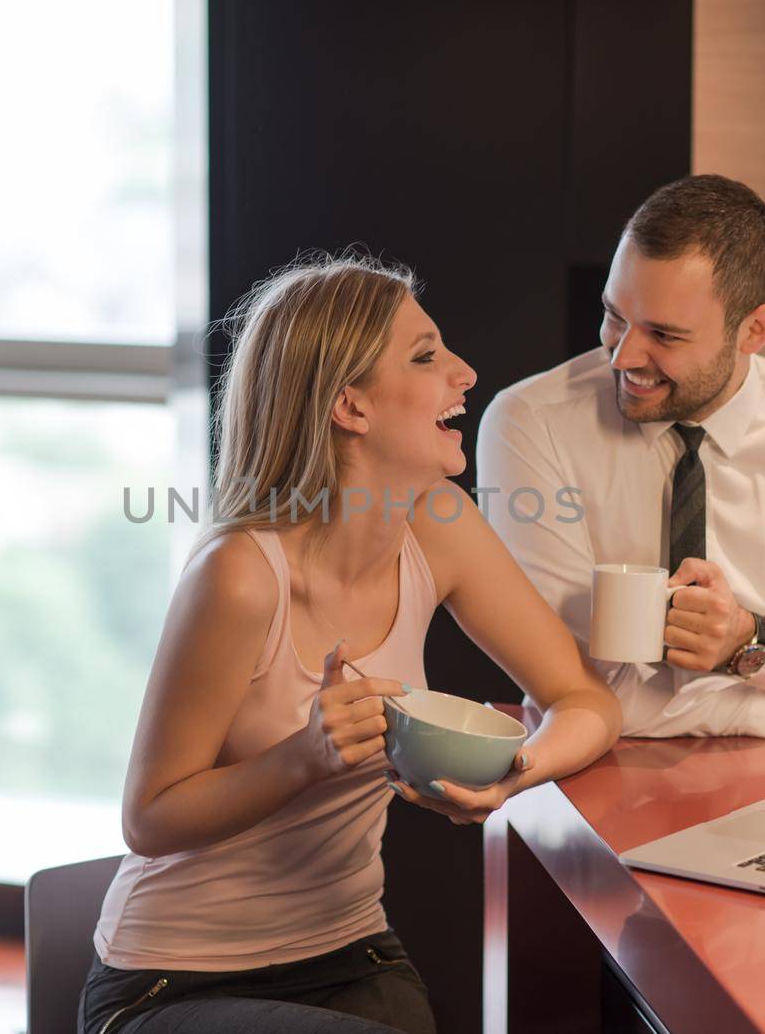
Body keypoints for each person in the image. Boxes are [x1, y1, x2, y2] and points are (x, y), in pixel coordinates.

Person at [83, 253, 623, 1034]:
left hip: (351, 954)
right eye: (427, 356)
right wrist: (304, 758)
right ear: (351, 406)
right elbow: (149, 817)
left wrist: (515, 773)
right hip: (174, 981)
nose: (466, 373)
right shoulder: (240, 576)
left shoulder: (439, 526)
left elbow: (586, 701)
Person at [476, 174, 765, 782]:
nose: (622, 356)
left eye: (665, 335)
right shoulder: (529, 425)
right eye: (614, 316)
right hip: (595, 783)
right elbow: (591, 699)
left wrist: (755, 640)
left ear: (755, 330)